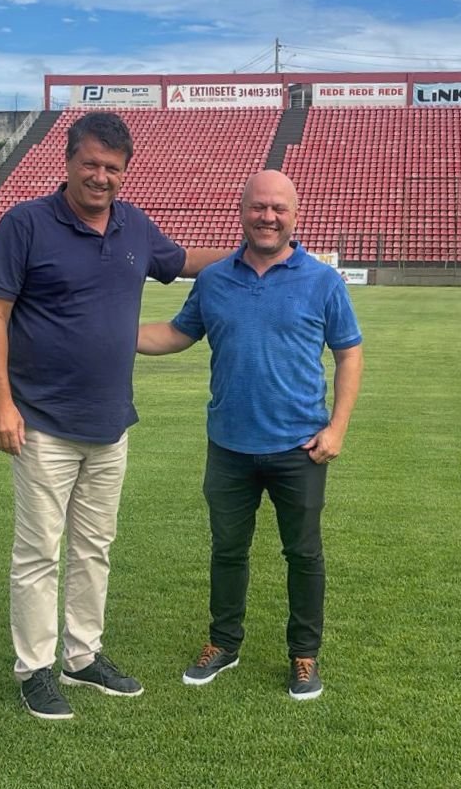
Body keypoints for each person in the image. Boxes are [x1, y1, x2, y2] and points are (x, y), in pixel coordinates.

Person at [0, 111, 228, 720]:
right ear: (66, 161)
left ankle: (83, 656)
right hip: (40, 420)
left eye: (112, 168)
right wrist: (2, 404)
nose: (100, 176)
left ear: (125, 171)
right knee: (38, 552)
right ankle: (35, 668)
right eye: (89, 163)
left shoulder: (135, 226)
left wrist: (259, 247)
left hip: (111, 423)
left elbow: (185, 260)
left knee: (95, 547)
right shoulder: (27, 224)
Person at [137, 169, 363, 701]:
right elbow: (176, 333)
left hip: (300, 447)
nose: (267, 217)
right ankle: (224, 643)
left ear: (295, 215)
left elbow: (349, 352)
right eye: (258, 207)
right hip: (229, 446)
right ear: (242, 212)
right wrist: (109, 333)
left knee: (303, 554)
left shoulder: (322, 281)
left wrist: (338, 427)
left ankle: (304, 656)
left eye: (278, 208)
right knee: (227, 550)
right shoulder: (215, 278)